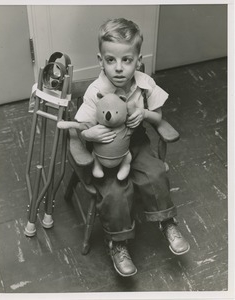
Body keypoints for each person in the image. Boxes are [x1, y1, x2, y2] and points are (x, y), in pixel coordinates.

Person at [75, 18, 190, 277]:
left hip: (136, 141)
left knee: (155, 172)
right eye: (110, 60)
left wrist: (144, 114)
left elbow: (158, 117)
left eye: (127, 60)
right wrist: (91, 132)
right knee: (115, 192)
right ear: (100, 60)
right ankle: (118, 242)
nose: (118, 68)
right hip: (106, 151)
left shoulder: (144, 83)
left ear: (138, 60)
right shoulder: (95, 91)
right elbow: (81, 126)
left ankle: (167, 222)